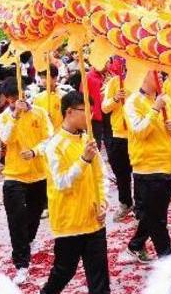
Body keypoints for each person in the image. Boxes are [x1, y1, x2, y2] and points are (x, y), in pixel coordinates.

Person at [40, 90, 110, 294]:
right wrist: (83, 161)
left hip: (94, 219)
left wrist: (103, 201)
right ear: (69, 112)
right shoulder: (54, 146)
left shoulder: (86, 140)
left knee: (99, 278)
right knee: (63, 272)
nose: (89, 116)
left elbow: (100, 174)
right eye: (84, 111)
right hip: (69, 223)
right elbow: (61, 182)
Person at [0, 78, 53, 285]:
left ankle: (27, 242)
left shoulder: (40, 113)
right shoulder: (2, 119)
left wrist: (36, 151)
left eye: (18, 96)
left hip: (38, 174)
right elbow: (6, 138)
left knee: (34, 216)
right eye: (10, 98)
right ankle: (21, 263)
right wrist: (15, 116)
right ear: (6, 99)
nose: (15, 101)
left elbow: (49, 139)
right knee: (16, 218)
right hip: (13, 175)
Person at [122, 70, 171, 262]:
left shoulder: (166, 100)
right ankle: (166, 256)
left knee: (154, 213)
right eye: (157, 74)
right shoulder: (132, 102)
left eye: (163, 75)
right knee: (157, 217)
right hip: (146, 167)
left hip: (167, 164)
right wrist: (155, 110)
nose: (162, 78)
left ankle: (136, 244)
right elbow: (139, 131)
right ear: (145, 76)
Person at [101, 57, 133, 220]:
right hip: (119, 135)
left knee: (140, 173)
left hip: (137, 134)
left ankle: (141, 206)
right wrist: (115, 99)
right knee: (122, 172)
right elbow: (105, 108)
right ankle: (126, 202)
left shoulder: (141, 80)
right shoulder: (114, 82)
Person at [33, 65, 63, 131]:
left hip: (60, 133)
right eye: (41, 77)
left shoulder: (63, 96)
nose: (43, 81)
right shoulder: (38, 98)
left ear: (55, 78)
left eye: (46, 77)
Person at [86, 61, 106, 150]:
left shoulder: (106, 76)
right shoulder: (88, 77)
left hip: (106, 112)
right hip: (94, 114)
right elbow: (83, 96)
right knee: (95, 140)